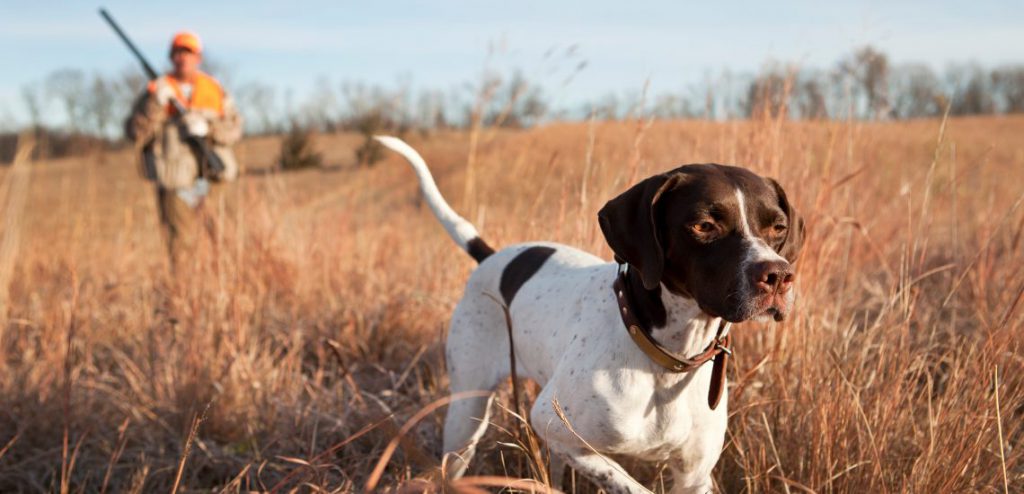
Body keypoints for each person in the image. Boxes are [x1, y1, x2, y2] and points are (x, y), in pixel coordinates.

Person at [125, 31, 242, 270]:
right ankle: (183, 295)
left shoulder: (213, 89)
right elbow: (134, 132)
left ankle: (224, 289)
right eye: (178, 53)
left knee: (223, 238)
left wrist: (207, 128)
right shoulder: (157, 90)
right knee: (180, 245)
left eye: (188, 53)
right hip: (174, 179)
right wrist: (155, 103)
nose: (182, 59)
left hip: (213, 177)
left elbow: (234, 128)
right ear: (171, 57)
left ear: (198, 58)